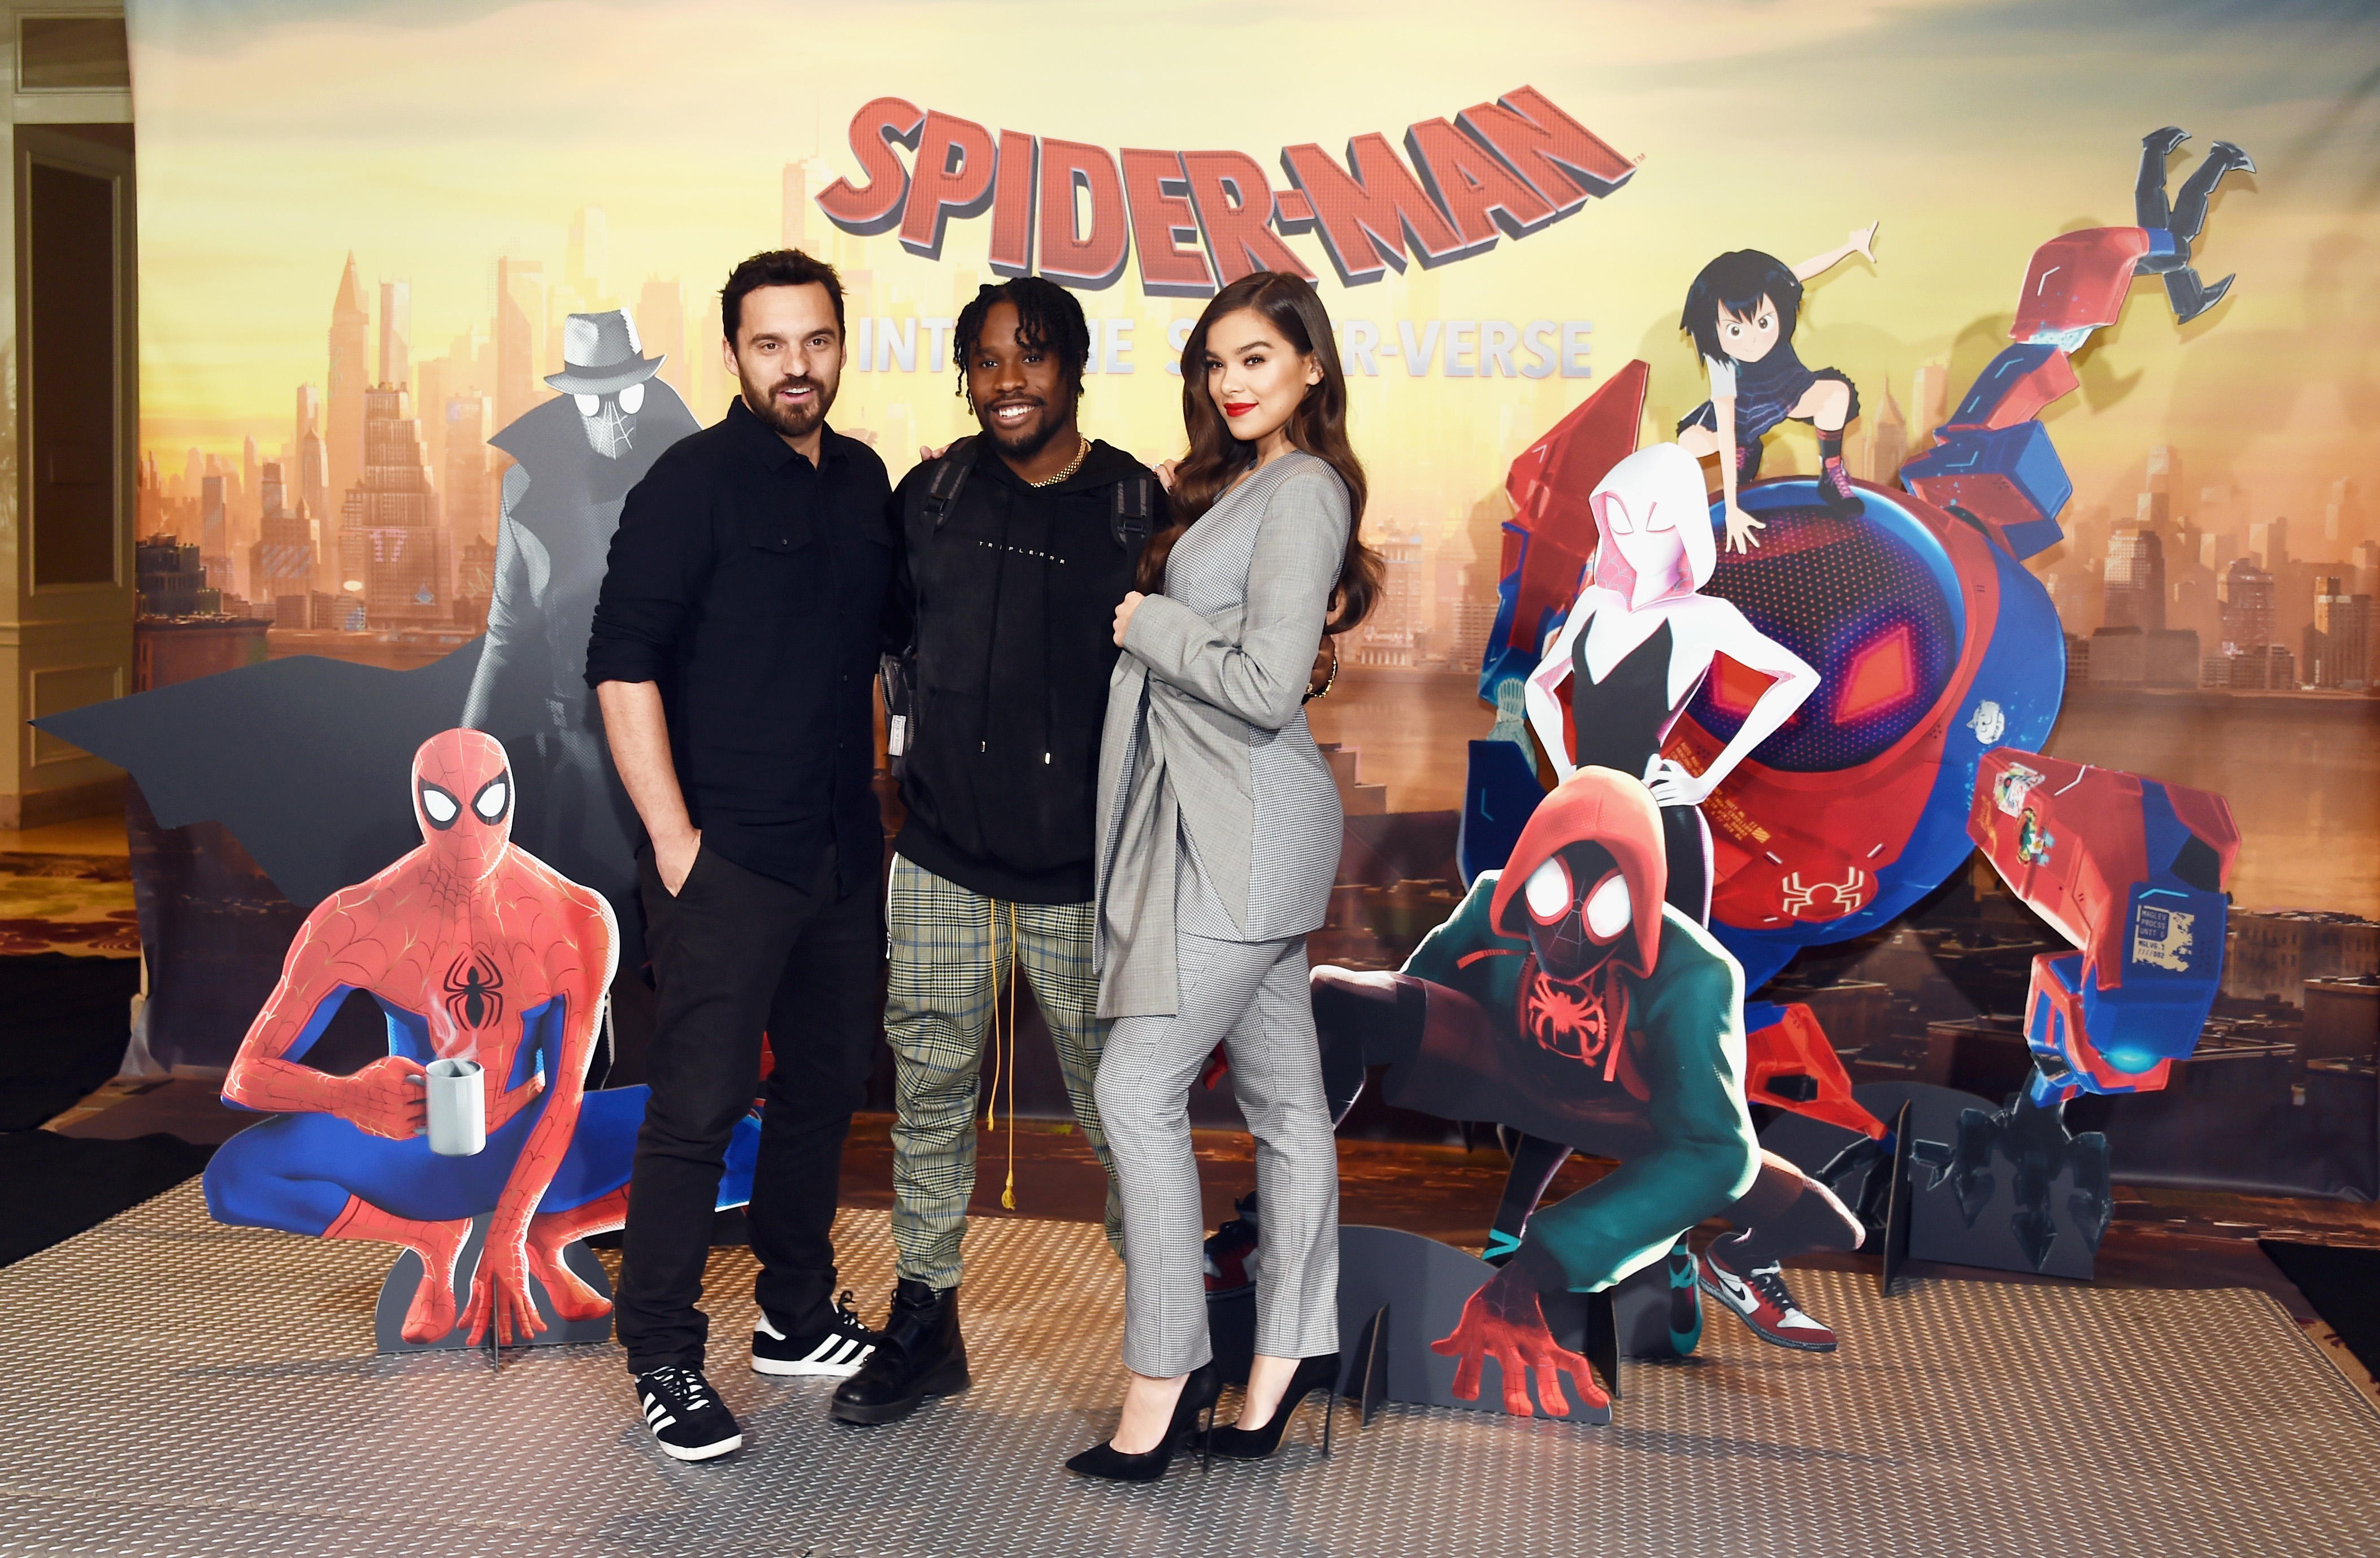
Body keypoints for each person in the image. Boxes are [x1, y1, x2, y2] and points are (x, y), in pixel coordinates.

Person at [831, 277, 1158, 1428]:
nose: (1008, 381)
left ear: (1072, 365)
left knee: (1128, 1114)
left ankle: (1173, 1341)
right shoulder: (931, 495)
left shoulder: (1135, 503)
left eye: (1031, 357)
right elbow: (878, 655)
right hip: (940, 861)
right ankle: (927, 1320)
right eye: (986, 361)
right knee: (927, 1093)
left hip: (1088, 878)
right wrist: (881, 790)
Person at [1072, 272, 1382, 1482]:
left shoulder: (1303, 491)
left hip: (1242, 835)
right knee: (1286, 1108)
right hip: (1232, 828)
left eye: (1258, 357)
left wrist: (1146, 622)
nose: (1233, 382)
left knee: (1135, 1088)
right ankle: (1281, 1366)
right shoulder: (1253, 484)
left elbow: (1264, 682)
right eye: (1216, 363)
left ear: (1311, 363)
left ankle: (1166, 1371)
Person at [584, 249, 891, 1463]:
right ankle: (661, 1350)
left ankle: (794, 1314)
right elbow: (621, 664)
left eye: (814, 340)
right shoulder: (688, 483)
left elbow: (896, 643)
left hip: (838, 850)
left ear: (839, 343)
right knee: (698, 1109)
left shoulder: (865, 480)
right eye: (771, 344)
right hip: (726, 859)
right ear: (735, 354)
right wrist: (675, 844)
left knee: (822, 1090)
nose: (796, 365)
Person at [1674, 225, 1878, 543]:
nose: (1753, 339)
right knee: (1690, 444)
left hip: (1788, 390)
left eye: (1764, 322)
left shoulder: (1773, 296)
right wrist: (1731, 508)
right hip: (1743, 411)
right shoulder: (1722, 362)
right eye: (1735, 331)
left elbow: (1801, 272)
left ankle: (1832, 472)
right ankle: (1749, 447)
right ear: (1713, 329)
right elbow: (1725, 430)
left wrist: (1849, 248)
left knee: (1837, 394)